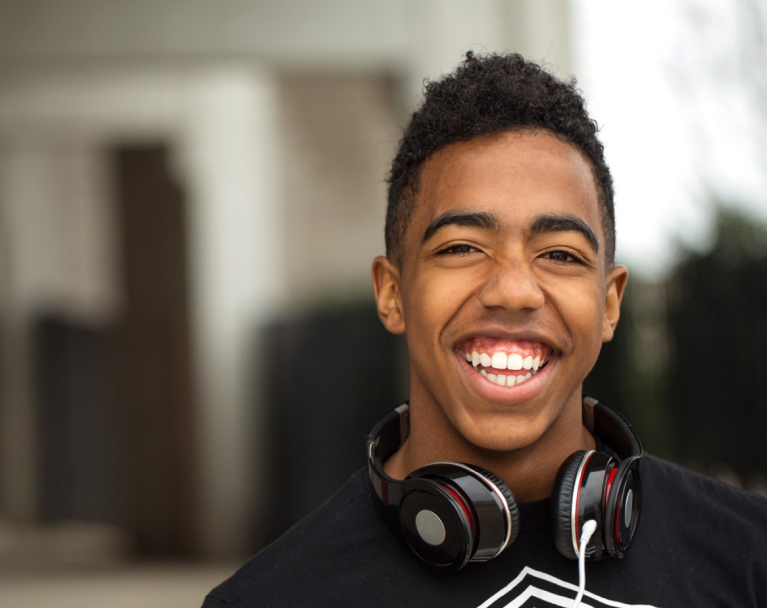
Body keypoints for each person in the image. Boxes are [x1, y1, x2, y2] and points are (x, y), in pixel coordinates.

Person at [202, 52, 767, 607]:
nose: (514, 291)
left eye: (561, 255)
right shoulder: (271, 599)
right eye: (463, 247)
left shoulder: (748, 556)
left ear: (610, 303)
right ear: (392, 293)